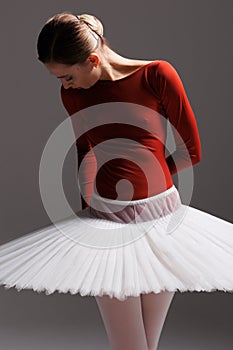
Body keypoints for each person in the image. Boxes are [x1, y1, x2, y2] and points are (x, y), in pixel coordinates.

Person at [0, 12, 233, 350]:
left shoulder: (157, 75)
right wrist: (89, 216)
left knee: (148, 345)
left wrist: (150, 180)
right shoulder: (74, 96)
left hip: (163, 220)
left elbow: (192, 151)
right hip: (108, 222)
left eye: (67, 76)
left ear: (92, 60)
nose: (64, 86)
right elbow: (86, 150)